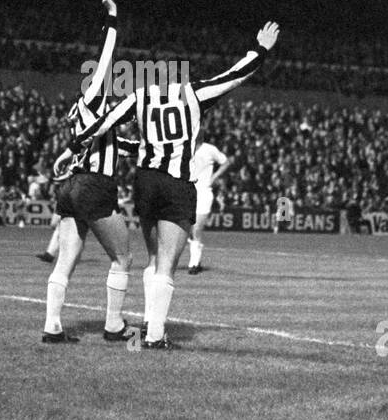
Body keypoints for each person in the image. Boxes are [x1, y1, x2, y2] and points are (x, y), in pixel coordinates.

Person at [57, 22, 279, 349]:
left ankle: (149, 324)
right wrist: (260, 49)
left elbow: (106, 123)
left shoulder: (139, 96)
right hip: (176, 184)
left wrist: (73, 147)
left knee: (151, 257)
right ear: (179, 71)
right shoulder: (193, 92)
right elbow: (235, 75)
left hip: (145, 182)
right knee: (167, 263)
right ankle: (155, 334)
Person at [40, 0, 135, 344]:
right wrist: (112, 18)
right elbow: (106, 56)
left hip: (71, 187)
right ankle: (113, 326)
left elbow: (119, 146)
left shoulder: (83, 116)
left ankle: (52, 327)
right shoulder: (94, 97)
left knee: (65, 260)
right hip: (95, 186)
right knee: (123, 257)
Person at [186, 139, 230, 274]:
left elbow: (226, 162)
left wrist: (214, 177)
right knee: (188, 229)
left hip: (204, 193)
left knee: (197, 228)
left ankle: (193, 264)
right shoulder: (184, 146)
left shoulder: (209, 149)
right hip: (187, 192)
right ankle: (196, 253)